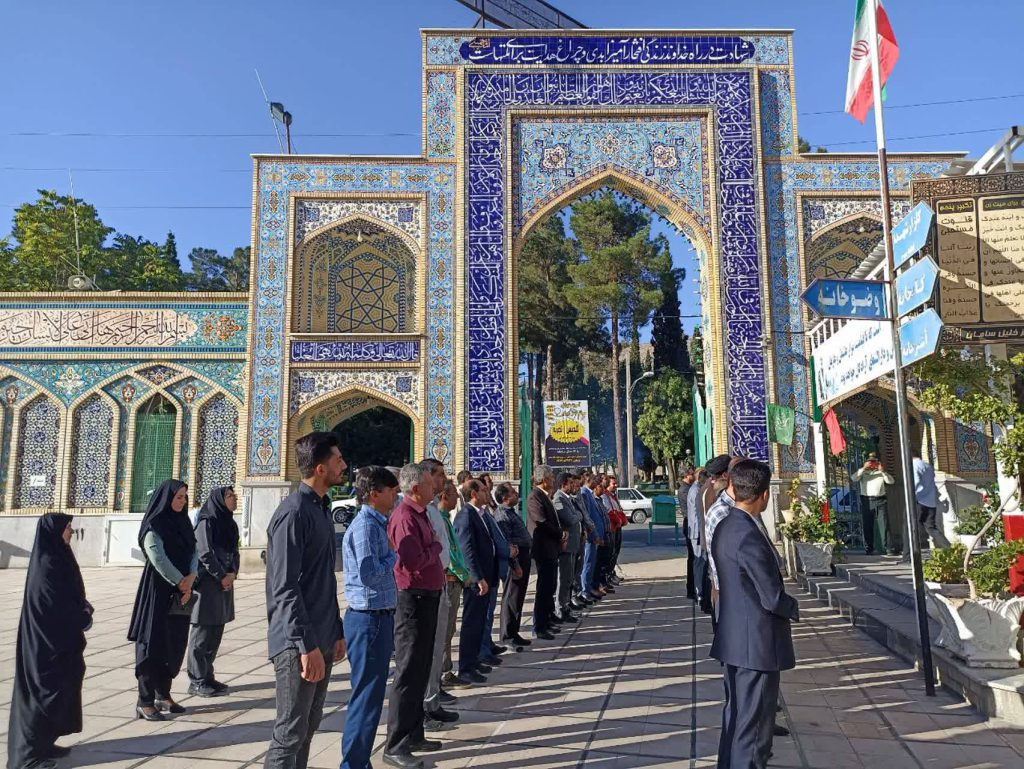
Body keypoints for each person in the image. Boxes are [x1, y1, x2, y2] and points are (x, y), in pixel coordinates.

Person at [264, 432, 348, 769]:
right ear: (320, 468)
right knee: (289, 733)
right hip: (298, 643)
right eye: (338, 460)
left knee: (308, 728)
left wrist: (336, 630)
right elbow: (284, 587)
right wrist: (305, 646)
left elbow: (322, 580)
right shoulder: (294, 513)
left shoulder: (319, 509)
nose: (344, 465)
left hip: (322, 636)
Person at [711, 460, 799, 769]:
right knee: (755, 730)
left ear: (733, 488)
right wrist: (793, 608)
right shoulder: (747, 533)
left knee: (737, 719)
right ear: (764, 496)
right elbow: (771, 596)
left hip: (736, 637)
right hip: (756, 643)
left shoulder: (726, 523)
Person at [7, 514, 93, 769]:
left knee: (60, 689)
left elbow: (70, 593)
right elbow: (55, 606)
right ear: (54, 532)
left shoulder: (58, 557)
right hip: (45, 645)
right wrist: (81, 615)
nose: (71, 533)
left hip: (59, 641)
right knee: (41, 693)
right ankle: (27, 756)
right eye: (68, 528)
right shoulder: (46, 565)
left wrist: (82, 609)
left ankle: (44, 743)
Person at [384, 463, 446, 768]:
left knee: (421, 669)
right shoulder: (405, 518)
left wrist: (432, 549)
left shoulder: (419, 514)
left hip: (428, 597)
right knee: (408, 672)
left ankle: (415, 733)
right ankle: (395, 744)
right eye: (429, 484)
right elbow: (412, 561)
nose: (435, 488)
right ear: (415, 488)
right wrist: (434, 548)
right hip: (413, 601)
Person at [341, 466, 400, 769]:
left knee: (371, 696)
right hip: (369, 620)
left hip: (377, 618)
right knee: (366, 697)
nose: (396, 496)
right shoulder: (366, 527)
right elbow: (368, 574)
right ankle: (354, 763)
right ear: (375, 493)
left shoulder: (377, 524)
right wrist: (394, 555)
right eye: (392, 491)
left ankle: (358, 761)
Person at [128, 479, 198, 721]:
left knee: (173, 642)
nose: (183, 501)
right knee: (152, 642)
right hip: (158, 591)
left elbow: (194, 550)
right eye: (178, 497)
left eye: (185, 497)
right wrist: (180, 581)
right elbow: (157, 556)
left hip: (181, 591)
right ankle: (145, 701)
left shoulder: (183, 522)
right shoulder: (154, 524)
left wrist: (192, 576)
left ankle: (163, 695)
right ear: (166, 498)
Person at [186, 486, 240, 698]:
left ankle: (207, 676)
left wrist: (233, 573)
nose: (234, 498)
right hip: (207, 585)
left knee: (216, 631)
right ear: (218, 500)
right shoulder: (206, 522)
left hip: (223, 585)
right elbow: (205, 553)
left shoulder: (229, 523)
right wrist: (222, 575)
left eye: (234, 495)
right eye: (229, 496)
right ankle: (197, 680)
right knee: (202, 634)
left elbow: (235, 550)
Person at [420, 459, 460, 729]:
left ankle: (433, 700)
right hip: (424, 589)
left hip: (440, 583)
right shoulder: (414, 512)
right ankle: (422, 708)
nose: (444, 481)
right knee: (424, 653)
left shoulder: (432, 510)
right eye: (440, 475)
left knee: (436, 649)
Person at [454, 478, 499, 683]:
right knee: (472, 622)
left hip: (486, 576)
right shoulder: (465, 516)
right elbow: (467, 550)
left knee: (480, 620)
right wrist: (477, 577)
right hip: (476, 580)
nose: (486, 492)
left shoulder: (480, 513)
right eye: (482, 490)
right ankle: (466, 667)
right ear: (473, 493)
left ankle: (475, 660)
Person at [438, 480, 473, 689]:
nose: (458, 499)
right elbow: (448, 555)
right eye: (454, 495)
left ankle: (446, 669)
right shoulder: (440, 520)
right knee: (444, 631)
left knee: (449, 630)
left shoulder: (444, 519)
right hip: (450, 581)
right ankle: (442, 673)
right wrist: (464, 574)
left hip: (455, 581)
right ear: (445, 496)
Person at [493, 482, 533, 647]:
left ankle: (514, 632)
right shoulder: (502, 515)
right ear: (505, 498)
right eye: (512, 492)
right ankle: (507, 635)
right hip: (514, 560)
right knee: (511, 597)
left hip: (523, 555)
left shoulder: (511, 512)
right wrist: (515, 565)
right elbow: (507, 543)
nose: (517, 494)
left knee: (519, 597)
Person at [527, 464, 564, 640]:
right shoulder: (535, 496)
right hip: (543, 548)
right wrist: (560, 533)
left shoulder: (546, 496)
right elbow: (540, 521)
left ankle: (548, 620)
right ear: (544, 479)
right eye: (551, 478)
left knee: (550, 588)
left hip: (552, 549)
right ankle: (539, 626)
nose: (554, 481)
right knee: (543, 589)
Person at [553, 471, 583, 624]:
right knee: (564, 579)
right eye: (570, 483)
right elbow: (570, 519)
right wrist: (578, 515)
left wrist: (577, 515)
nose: (573, 486)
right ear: (563, 484)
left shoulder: (568, 499)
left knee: (569, 578)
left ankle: (565, 606)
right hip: (565, 546)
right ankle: (560, 608)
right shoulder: (559, 499)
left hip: (573, 545)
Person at [852, 452, 895, 555]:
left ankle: (888, 548)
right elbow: (853, 478)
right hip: (867, 500)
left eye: (874, 462)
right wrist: (863, 468)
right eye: (870, 462)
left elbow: (891, 481)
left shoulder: (881, 473)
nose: (872, 464)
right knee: (867, 525)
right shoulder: (863, 473)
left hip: (880, 500)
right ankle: (869, 547)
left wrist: (883, 471)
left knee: (884, 524)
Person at [913, 453, 950, 549]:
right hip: (931, 502)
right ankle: (949, 548)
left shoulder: (914, 465)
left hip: (919, 501)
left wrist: (912, 496)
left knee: (912, 527)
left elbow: (916, 483)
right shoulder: (928, 466)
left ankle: (911, 553)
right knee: (931, 528)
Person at [678, 468, 697, 598]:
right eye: (692, 475)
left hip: (689, 523)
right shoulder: (685, 490)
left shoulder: (688, 488)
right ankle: (691, 588)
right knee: (693, 558)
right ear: (687, 476)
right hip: (689, 523)